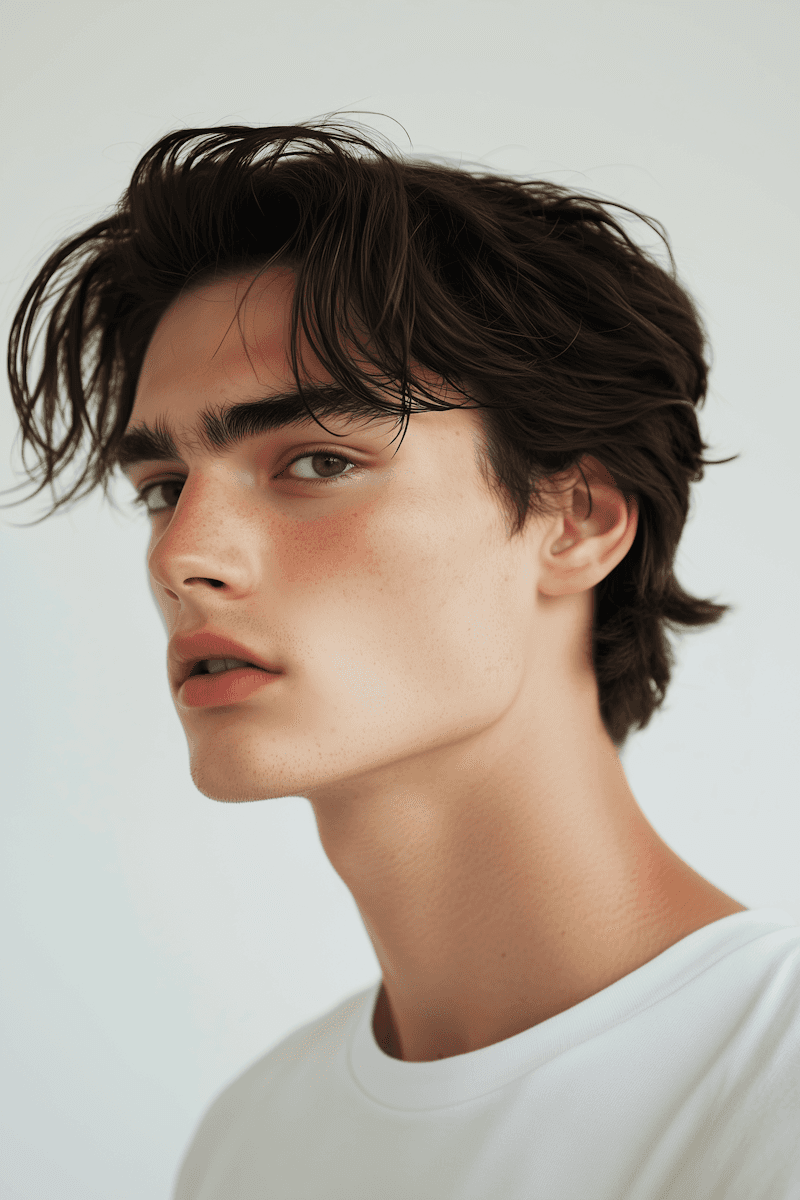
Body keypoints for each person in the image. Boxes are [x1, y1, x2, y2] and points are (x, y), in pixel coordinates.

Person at [5, 119, 800, 1199]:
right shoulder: (250, 1144)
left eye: (317, 461)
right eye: (162, 487)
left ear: (576, 519)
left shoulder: (769, 1085)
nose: (182, 556)